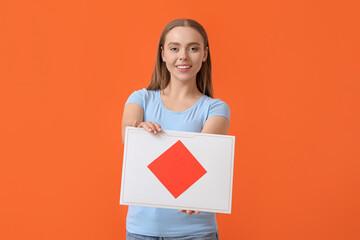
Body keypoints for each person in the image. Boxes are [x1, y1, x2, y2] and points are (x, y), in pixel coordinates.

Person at [121, 19, 230, 240]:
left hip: (195, 232)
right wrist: (138, 135)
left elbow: (201, 159)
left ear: (204, 54)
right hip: (141, 230)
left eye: (193, 48)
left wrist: (148, 146)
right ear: (163, 54)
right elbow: (128, 139)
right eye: (174, 48)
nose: (183, 56)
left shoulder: (216, 109)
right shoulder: (139, 99)